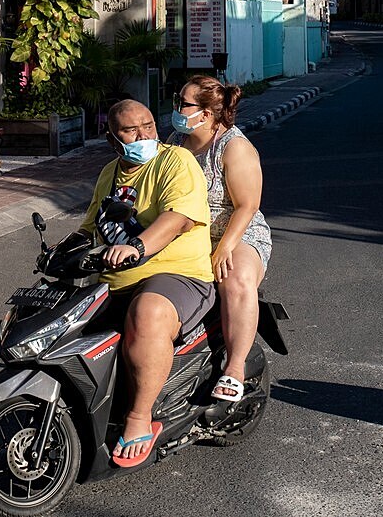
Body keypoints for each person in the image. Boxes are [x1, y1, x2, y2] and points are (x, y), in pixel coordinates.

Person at [78, 99, 214, 467]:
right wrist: (61, 251)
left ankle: (139, 416)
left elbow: (179, 217)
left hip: (178, 275)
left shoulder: (175, 161)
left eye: (149, 126)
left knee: (147, 312)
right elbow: (90, 227)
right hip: (116, 279)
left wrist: (137, 246)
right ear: (112, 139)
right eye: (131, 130)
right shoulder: (110, 172)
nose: (144, 135)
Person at [166, 75, 272, 405]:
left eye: (184, 104)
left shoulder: (234, 147)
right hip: (188, 234)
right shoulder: (176, 141)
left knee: (235, 279)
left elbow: (248, 205)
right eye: (177, 101)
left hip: (237, 233)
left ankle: (235, 367)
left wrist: (225, 246)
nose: (177, 109)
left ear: (208, 114)